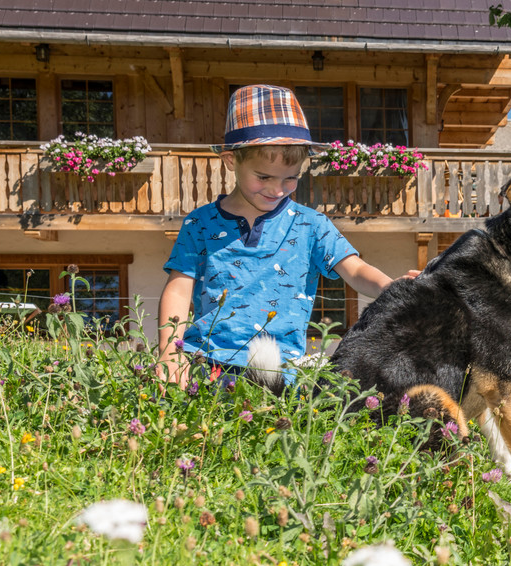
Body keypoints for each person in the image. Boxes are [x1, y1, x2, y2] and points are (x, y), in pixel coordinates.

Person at [157, 84, 399, 386]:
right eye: (264, 177)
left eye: (291, 179)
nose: (276, 189)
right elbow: (178, 291)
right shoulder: (200, 223)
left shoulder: (311, 225)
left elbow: (356, 269)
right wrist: (169, 352)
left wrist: (393, 288)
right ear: (232, 160)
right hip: (206, 367)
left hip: (280, 375)